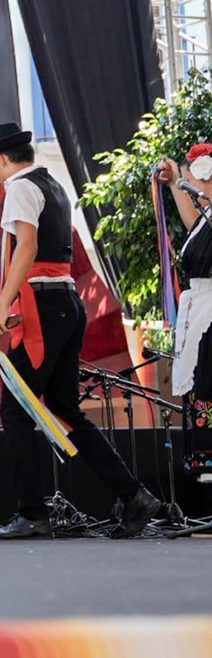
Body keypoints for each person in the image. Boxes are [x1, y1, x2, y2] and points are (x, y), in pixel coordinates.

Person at [0, 122, 161, 539]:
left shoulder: (20, 187)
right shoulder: (53, 185)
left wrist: (3, 304)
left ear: (2, 159)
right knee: (62, 406)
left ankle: (32, 513)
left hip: (44, 305)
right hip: (63, 302)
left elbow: (26, 247)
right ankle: (133, 495)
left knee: (15, 409)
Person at [158, 149, 212, 485]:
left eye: (190, 181)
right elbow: (193, 219)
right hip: (200, 311)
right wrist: (174, 181)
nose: (187, 187)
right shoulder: (205, 218)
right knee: (200, 385)